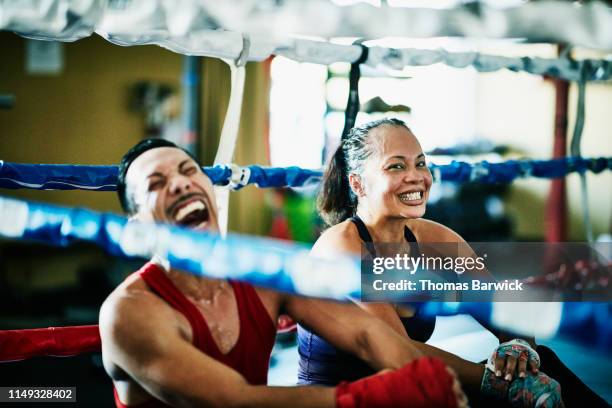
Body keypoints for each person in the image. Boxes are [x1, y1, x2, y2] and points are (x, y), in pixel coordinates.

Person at [99, 138, 467, 408]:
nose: (179, 184)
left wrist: (437, 385)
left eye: (187, 171)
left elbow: (367, 335)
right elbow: (231, 400)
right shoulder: (130, 312)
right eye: (156, 184)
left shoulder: (261, 272)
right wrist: (370, 396)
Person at [298, 117, 606, 407]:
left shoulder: (435, 240)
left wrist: (518, 348)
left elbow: (500, 306)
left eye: (421, 163)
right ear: (358, 184)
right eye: (396, 166)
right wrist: (499, 385)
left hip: (411, 393)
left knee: (543, 363)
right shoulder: (342, 246)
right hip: (347, 400)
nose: (416, 176)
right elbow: (398, 354)